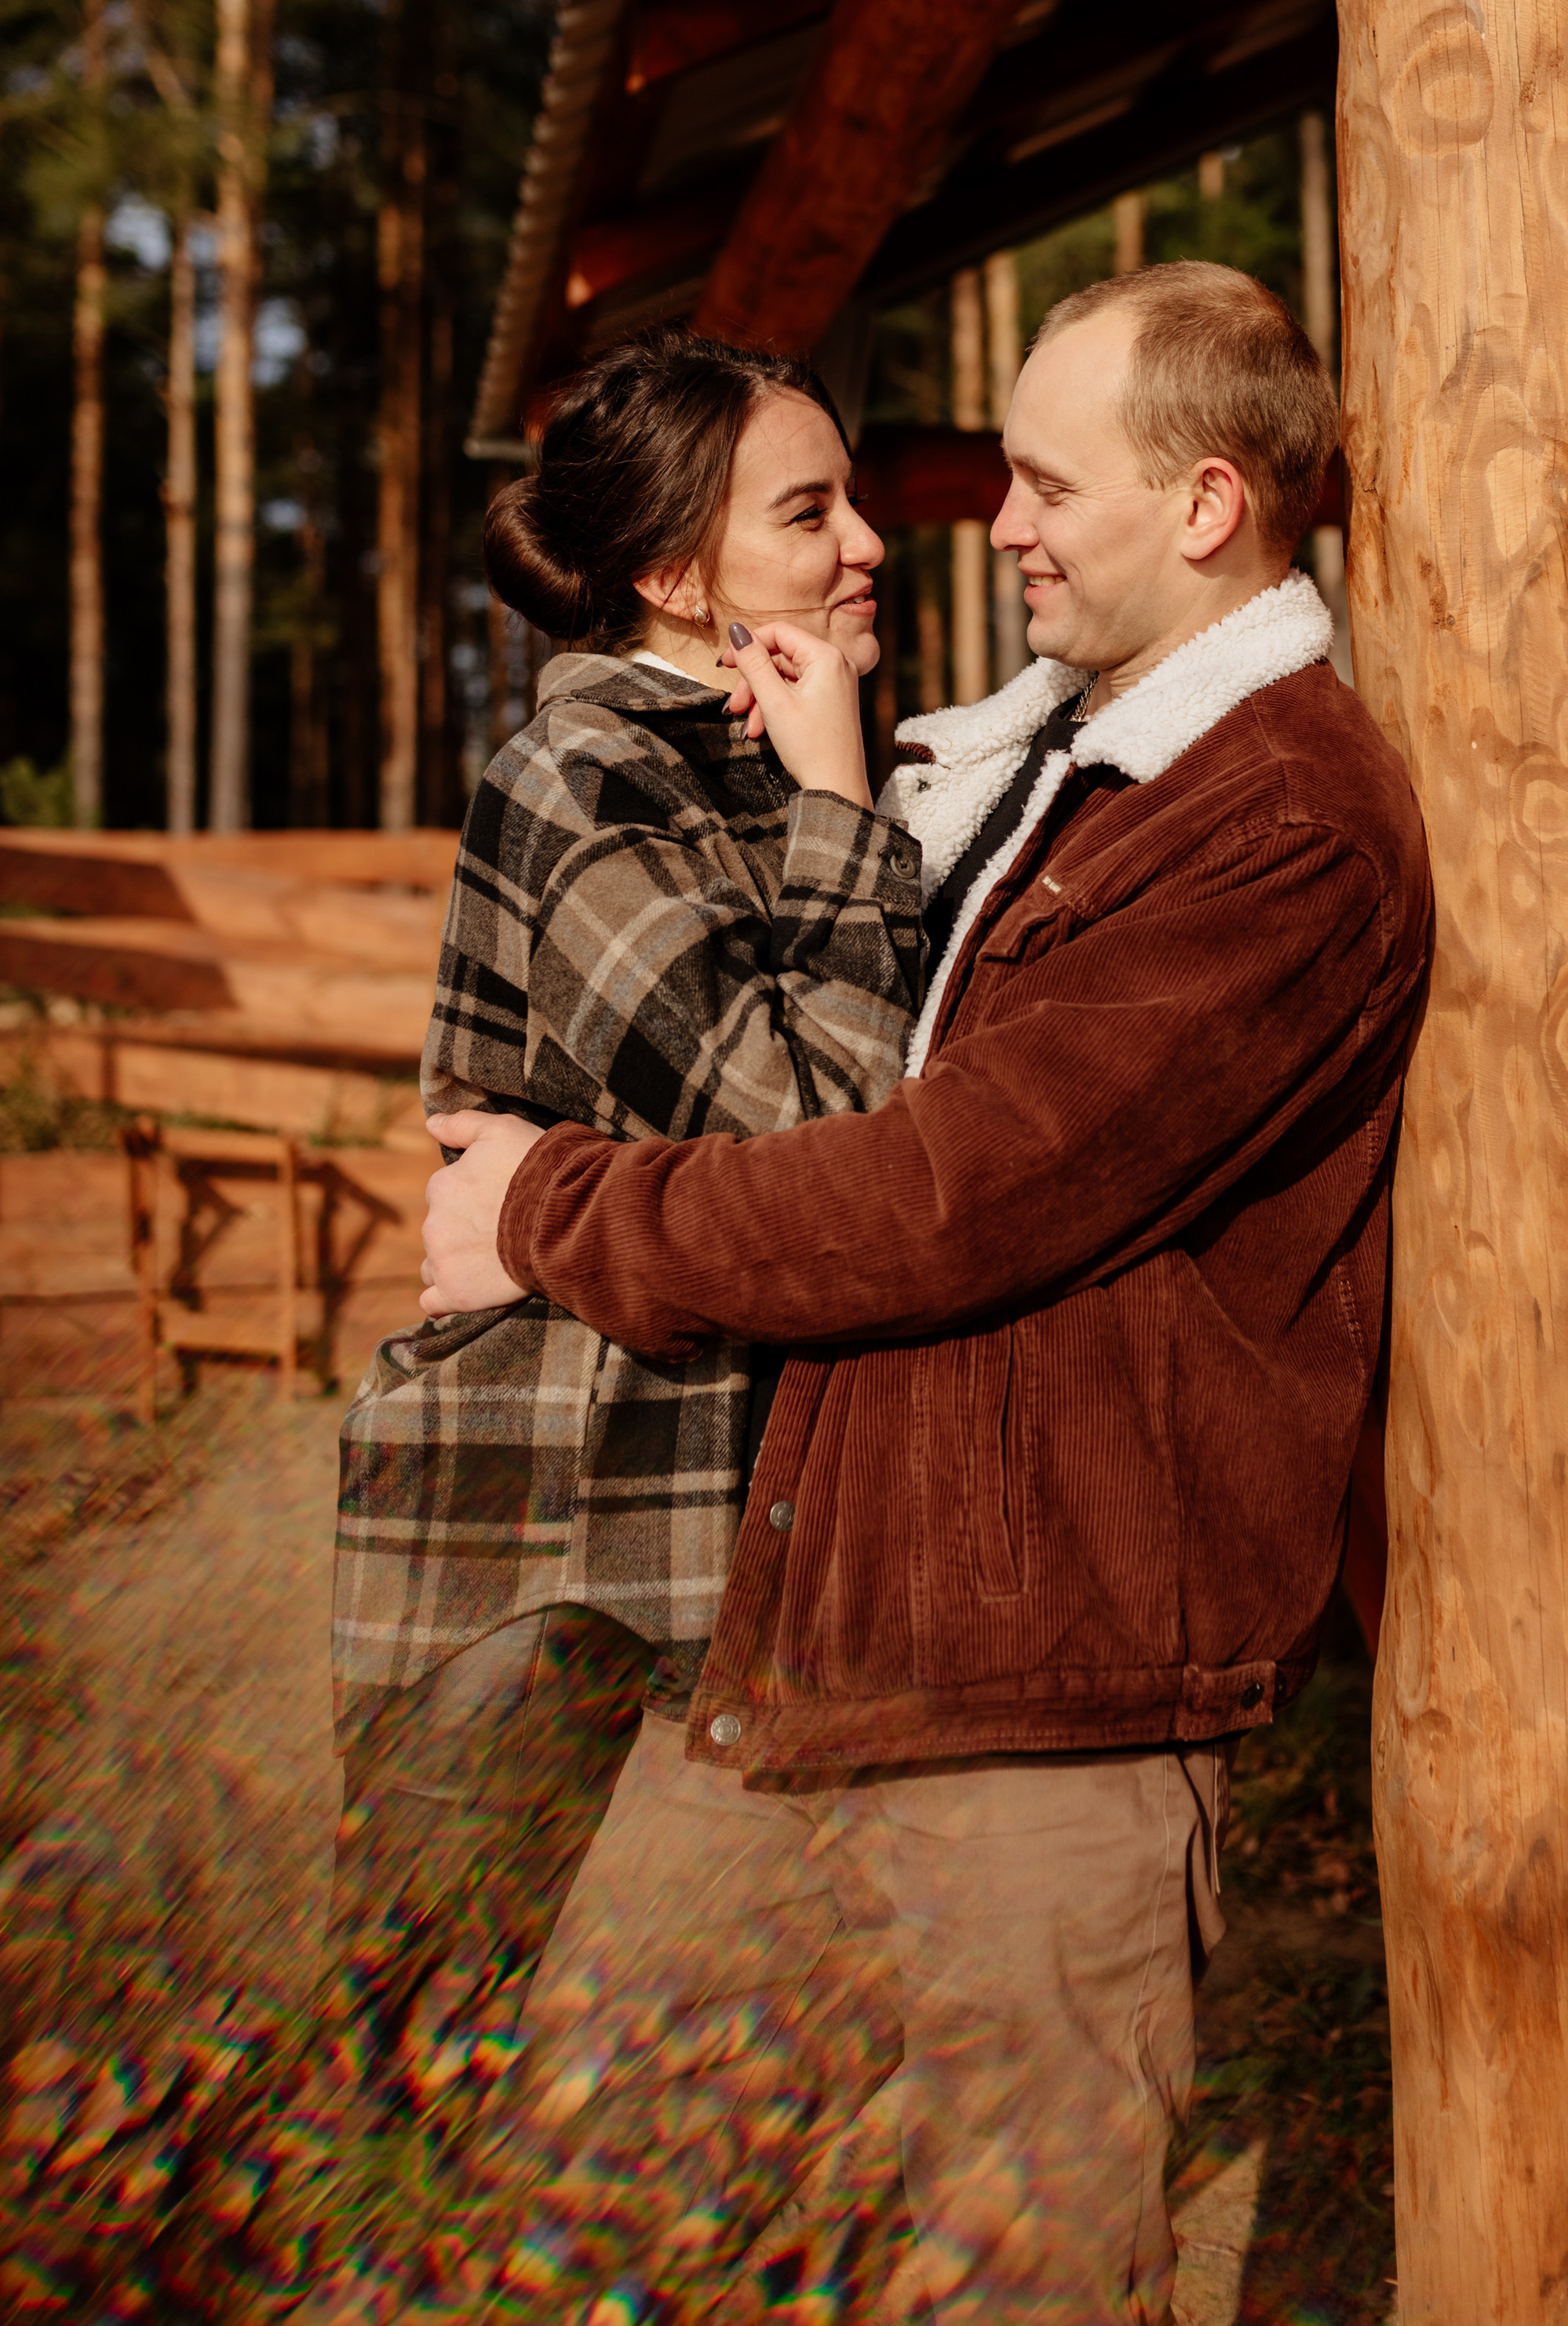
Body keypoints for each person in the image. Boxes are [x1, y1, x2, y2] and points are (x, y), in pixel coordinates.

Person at [420, 261, 1434, 2326]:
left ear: (1214, 502)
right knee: (596, 2202)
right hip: (836, 1627)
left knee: (1010, 2277)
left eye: (1050, 484)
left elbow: (939, 1196)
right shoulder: (1058, 765)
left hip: (1048, 1684)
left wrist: (548, 1211)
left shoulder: (1284, 829)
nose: (1002, 525)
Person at [224, 329, 927, 2301]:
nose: (868, 544)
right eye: (810, 513)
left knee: (713, 2057)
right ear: (675, 578)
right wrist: (832, 792)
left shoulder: (745, 764)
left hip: (714, 1487)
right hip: (540, 1505)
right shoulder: (585, 768)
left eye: (850, 498)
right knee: (434, 2030)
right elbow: (821, 1135)